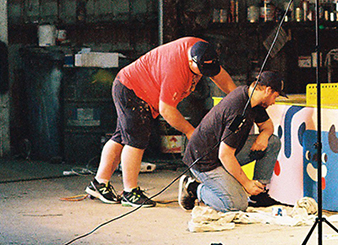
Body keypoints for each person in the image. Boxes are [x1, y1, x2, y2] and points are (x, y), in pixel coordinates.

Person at [85, 37, 236, 208]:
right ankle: (130, 192)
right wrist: (190, 131)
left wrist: (238, 96)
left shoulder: (203, 50)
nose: (204, 74)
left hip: (135, 87)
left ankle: (99, 183)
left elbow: (219, 75)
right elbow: (167, 110)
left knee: (121, 137)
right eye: (201, 70)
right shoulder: (176, 69)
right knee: (136, 140)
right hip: (132, 90)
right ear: (191, 61)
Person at [178, 70, 285, 212]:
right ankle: (193, 188)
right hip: (204, 161)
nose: (273, 102)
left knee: (272, 142)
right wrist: (246, 184)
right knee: (237, 205)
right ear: (267, 90)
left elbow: (267, 126)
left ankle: (258, 195)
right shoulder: (239, 111)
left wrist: (263, 137)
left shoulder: (251, 99)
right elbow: (225, 154)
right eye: (275, 97)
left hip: (224, 153)